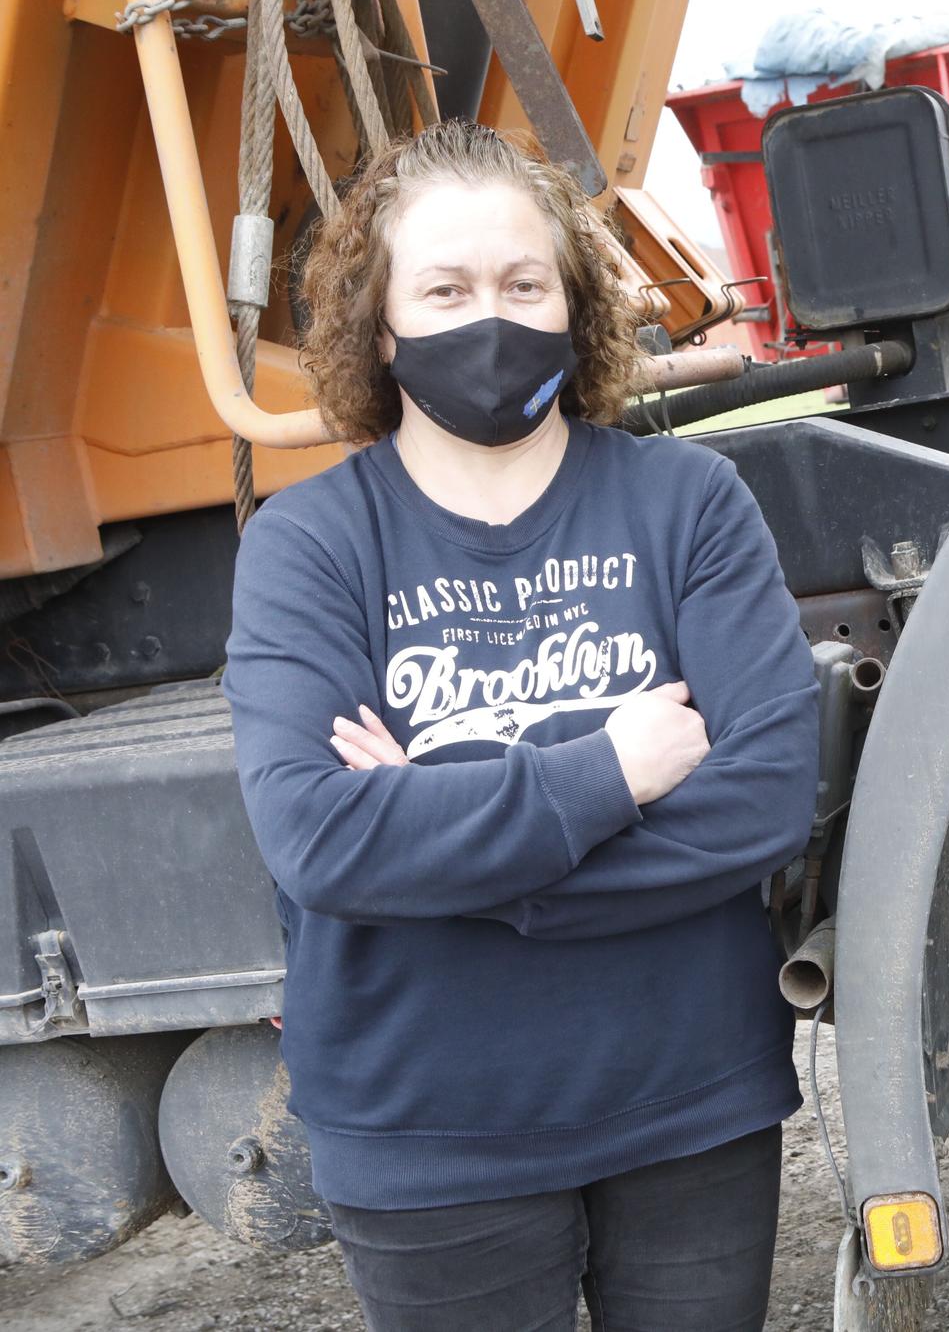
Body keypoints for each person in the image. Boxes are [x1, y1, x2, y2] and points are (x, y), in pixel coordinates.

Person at [221, 119, 819, 1331]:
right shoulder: (310, 544)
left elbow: (765, 793)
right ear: (380, 325)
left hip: (688, 1103)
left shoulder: (684, 501)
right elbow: (323, 840)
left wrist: (462, 860)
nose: (485, 317)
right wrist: (609, 771)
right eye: (442, 288)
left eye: (521, 282)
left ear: (571, 303)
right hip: (425, 1135)